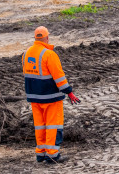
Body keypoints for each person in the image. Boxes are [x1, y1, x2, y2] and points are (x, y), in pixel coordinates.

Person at [22, 26, 80, 164]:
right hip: (51, 97)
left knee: (40, 126)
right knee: (53, 126)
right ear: (47, 38)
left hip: (34, 98)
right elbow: (59, 77)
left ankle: (41, 154)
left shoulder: (26, 53)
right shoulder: (49, 54)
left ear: (35, 38)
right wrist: (69, 92)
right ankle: (52, 155)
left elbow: (26, 74)